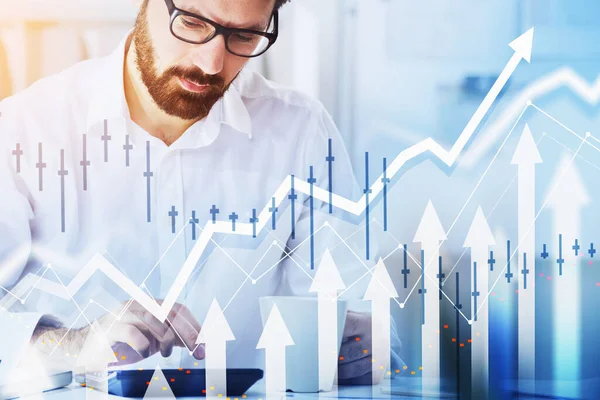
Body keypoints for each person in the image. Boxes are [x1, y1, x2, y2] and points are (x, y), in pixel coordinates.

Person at [0, 0, 403, 386]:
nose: (211, 63)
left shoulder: (300, 133)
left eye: (244, 37)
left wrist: (366, 346)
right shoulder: (25, 130)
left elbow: (364, 327)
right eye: (192, 23)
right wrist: (74, 344)